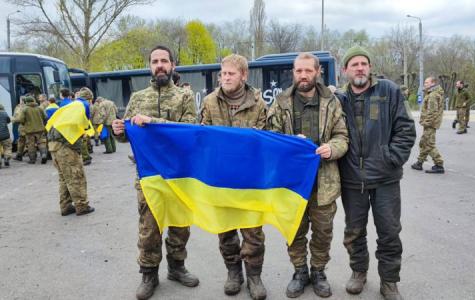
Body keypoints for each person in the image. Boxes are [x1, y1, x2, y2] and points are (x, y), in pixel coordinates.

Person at [112, 45, 198, 300]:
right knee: (149, 227)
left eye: (164, 61)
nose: (159, 65)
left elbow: (190, 131)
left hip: (180, 174)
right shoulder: (138, 98)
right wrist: (119, 130)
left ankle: (177, 267)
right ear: (150, 66)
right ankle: (149, 274)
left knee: (180, 225)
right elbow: (127, 137)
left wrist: (154, 122)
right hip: (148, 176)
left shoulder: (184, 98)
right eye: (155, 61)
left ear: (172, 65)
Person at [336, 45, 416, 300]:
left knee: (389, 232)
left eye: (364, 63)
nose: (360, 68)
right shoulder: (339, 99)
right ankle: (359, 272)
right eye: (354, 64)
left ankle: (390, 281)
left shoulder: (389, 91)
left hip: (385, 179)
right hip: (352, 180)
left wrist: (391, 158)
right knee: (354, 232)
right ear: (345, 70)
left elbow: (405, 129)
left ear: (369, 67)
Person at [267, 52, 349, 298]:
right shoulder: (281, 102)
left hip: (323, 183)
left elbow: (342, 136)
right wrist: (290, 143)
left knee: (323, 233)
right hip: (291, 184)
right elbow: (271, 137)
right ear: (293, 73)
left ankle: (318, 271)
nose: (303, 75)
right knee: (294, 231)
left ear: (317, 72)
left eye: (308, 70)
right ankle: (300, 271)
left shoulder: (332, 102)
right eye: (298, 71)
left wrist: (332, 148)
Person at [200, 54, 268, 300]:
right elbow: (200, 136)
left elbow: (267, 141)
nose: (225, 78)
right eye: (223, 74)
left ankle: (254, 276)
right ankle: (233, 273)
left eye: (230, 73)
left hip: (250, 180)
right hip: (219, 178)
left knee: (253, 232)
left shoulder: (259, 104)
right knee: (225, 230)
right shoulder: (209, 102)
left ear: (243, 75)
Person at [47, 88, 95, 217]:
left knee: (64, 177)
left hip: (53, 145)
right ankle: (82, 206)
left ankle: (66, 206)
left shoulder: (70, 106)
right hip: (64, 146)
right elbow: (85, 126)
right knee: (76, 175)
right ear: (90, 99)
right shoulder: (82, 105)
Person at [411, 77, 445, 174]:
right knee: (424, 142)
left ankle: (439, 164)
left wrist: (427, 123)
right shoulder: (431, 93)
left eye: (426, 82)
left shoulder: (433, 95)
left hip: (430, 123)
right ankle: (419, 162)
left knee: (428, 144)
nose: (425, 84)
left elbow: (432, 112)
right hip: (430, 123)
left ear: (433, 83)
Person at [15, 96, 47, 164]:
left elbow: (21, 119)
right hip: (40, 129)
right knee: (41, 142)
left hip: (29, 131)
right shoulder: (39, 108)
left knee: (31, 145)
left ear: (26, 102)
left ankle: (32, 160)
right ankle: (44, 154)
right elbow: (45, 117)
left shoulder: (25, 109)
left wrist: (24, 123)